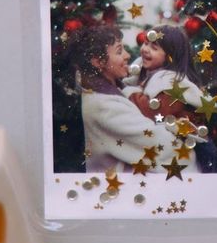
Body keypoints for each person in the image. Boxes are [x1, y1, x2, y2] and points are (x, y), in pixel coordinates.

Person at [64, 25, 183, 173]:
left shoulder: (112, 91)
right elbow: (161, 145)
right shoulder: (106, 106)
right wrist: (182, 131)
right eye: (119, 51)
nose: (127, 55)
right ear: (98, 62)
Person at [125, 25, 217, 172]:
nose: (145, 49)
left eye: (154, 48)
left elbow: (150, 111)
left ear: (170, 57)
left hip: (181, 157)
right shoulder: (147, 73)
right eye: (145, 43)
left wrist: (128, 92)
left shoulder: (170, 83)